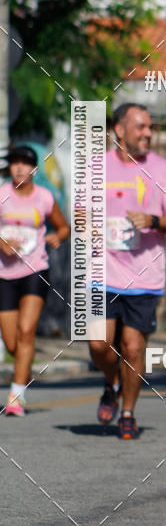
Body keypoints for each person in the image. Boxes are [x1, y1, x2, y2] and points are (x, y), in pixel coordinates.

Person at [88, 103, 166, 440]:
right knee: (99, 346)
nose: (148, 133)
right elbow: (81, 215)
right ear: (119, 131)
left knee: (132, 347)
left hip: (144, 275)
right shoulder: (96, 167)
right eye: (140, 127)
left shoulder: (163, 170)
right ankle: (111, 381)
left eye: (150, 127)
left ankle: (127, 411)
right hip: (100, 272)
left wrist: (154, 221)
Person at [1, 144, 70, 416]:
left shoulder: (45, 197)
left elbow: (63, 226)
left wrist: (58, 236)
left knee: (27, 331)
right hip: (4, 274)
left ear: (33, 169)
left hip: (35, 269)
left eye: (25, 163)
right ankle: (22, 367)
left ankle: (16, 397)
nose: (19, 168)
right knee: (11, 342)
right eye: (14, 163)